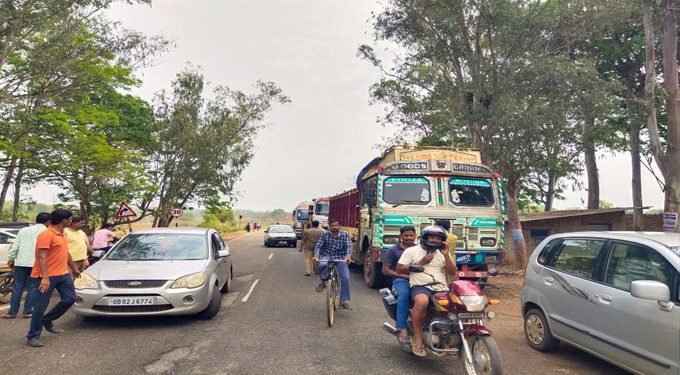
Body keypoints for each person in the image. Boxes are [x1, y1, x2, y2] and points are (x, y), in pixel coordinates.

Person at [397, 225, 457, 357]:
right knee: (422, 301)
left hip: (441, 287)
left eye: (438, 238)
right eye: (432, 237)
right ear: (425, 238)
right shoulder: (412, 251)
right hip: (420, 285)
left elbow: (452, 272)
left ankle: (451, 336)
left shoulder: (443, 252)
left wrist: (446, 255)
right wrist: (420, 263)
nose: (435, 240)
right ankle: (417, 337)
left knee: (456, 306)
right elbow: (400, 269)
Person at [26, 208, 81, 348]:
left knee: (70, 298)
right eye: (70, 219)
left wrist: (74, 268)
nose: (71, 220)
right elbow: (41, 256)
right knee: (40, 306)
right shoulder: (46, 235)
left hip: (63, 274)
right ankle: (33, 335)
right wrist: (45, 277)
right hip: (46, 276)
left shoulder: (63, 234)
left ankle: (47, 319)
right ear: (64, 220)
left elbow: (65, 252)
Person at [2, 212, 51, 319]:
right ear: (48, 221)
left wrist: (11, 259)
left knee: (17, 287)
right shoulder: (47, 232)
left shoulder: (24, 230)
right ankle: (27, 311)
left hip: (21, 262)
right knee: (33, 287)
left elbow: (15, 246)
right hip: (37, 264)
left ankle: (12, 312)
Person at [381, 225, 416, 346]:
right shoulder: (393, 250)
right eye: (406, 235)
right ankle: (403, 329)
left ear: (415, 236)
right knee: (404, 296)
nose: (409, 238)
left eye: (411, 235)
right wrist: (403, 276)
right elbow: (385, 270)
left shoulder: (420, 249)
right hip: (400, 280)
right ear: (400, 236)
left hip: (419, 280)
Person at [313, 219, 352, 310]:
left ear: (339, 226)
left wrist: (348, 256)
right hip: (328, 255)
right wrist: (316, 255)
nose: (334, 227)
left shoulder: (345, 235)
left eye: (336, 225)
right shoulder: (325, 234)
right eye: (332, 226)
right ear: (329, 226)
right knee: (322, 265)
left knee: (345, 278)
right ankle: (323, 283)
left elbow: (349, 246)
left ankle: (343, 301)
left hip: (340, 257)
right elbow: (319, 245)